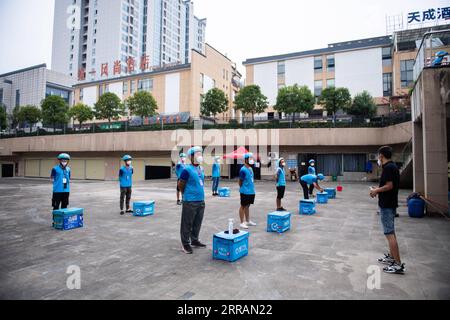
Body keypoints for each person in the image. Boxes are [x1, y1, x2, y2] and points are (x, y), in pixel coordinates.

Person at [370, 146, 405, 274]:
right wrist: (377, 189)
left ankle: (397, 264)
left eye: (378, 155)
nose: (378, 158)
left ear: (381, 156)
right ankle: (392, 257)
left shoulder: (389, 168)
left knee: (389, 233)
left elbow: (389, 186)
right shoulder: (391, 167)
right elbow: (388, 185)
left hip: (387, 205)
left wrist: (376, 191)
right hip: (389, 203)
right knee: (391, 232)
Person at [178, 146, 207, 254]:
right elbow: (181, 184)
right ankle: (185, 244)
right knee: (187, 223)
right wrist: (186, 195)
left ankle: (194, 240)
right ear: (191, 156)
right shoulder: (186, 169)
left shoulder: (200, 168)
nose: (200, 156)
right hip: (190, 201)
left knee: (197, 222)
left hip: (201, 200)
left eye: (201, 154)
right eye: (198, 154)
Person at [238, 153, 257, 229]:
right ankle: (242, 222)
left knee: (248, 206)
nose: (252, 160)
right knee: (243, 206)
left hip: (251, 191)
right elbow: (240, 181)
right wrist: (243, 188)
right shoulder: (243, 170)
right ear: (246, 160)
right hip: (245, 191)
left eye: (252, 158)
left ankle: (248, 221)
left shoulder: (251, 169)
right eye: (250, 158)